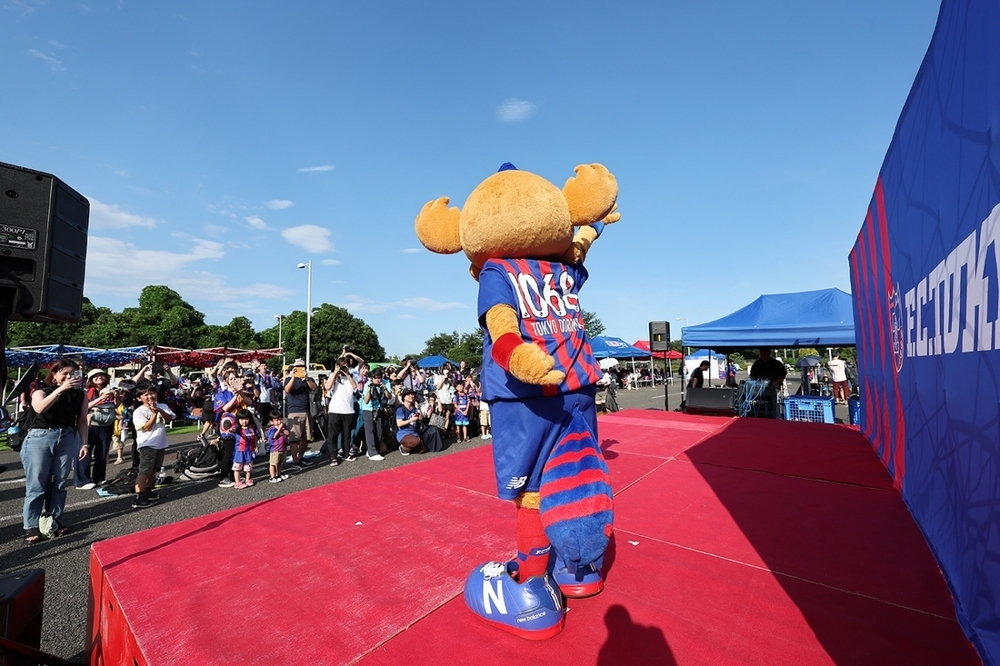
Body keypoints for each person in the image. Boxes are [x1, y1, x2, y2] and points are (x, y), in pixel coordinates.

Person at [21, 360, 89, 542]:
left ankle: (54, 519)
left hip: (66, 436)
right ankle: (31, 526)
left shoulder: (80, 395)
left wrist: (84, 444)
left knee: (59, 483)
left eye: (73, 374)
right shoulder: (41, 391)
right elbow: (39, 408)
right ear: (54, 375)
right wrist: (60, 390)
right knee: (37, 484)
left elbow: (82, 421)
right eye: (65, 374)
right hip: (40, 437)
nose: (69, 377)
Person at [131, 385, 175, 509]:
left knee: (154, 469)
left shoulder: (162, 406)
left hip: (160, 443)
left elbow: (169, 419)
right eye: (146, 394)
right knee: (144, 470)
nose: (150, 396)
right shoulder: (139, 411)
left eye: (152, 393)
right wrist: (154, 415)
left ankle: (148, 490)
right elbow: (145, 427)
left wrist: (159, 411)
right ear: (139, 398)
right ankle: (139, 496)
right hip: (147, 444)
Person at [283, 359, 317, 467]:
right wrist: (293, 376)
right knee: (294, 439)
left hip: (306, 410)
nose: (300, 368)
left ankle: (300, 457)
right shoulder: (289, 378)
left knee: (306, 438)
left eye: (302, 366)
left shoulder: (308, 379)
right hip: (294, 411)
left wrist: (306, 378)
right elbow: (287, 389)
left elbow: (314, 388)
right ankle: (294, 460)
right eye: (297, 366)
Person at [324, 359, 358, 465]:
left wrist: (347, 374)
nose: (344, 368)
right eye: (342, 366)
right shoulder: (333, 376)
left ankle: (346, 453)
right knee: (332, 435)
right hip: (335, 410)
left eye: (346, 366)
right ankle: (333, 456)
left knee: (347, 434)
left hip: (348, 410)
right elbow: (328, 387)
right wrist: (335, 372)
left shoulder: (350, 377)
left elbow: (355, 387)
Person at [360, 368, 389, 461]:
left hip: (379, 409)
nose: (377, 380)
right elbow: (366, 400)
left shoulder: (385, 383)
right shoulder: (368, 384)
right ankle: (372, 453)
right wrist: (369, 389)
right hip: (368, 409)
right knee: (370, 430)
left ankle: (372, 449)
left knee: (379, 430)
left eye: (379, 377)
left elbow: (389, 397)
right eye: (375, 378)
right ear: (372, 378)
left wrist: (385, 389)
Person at [395, 389, 428, 455]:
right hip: (403, 433)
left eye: (412, 394)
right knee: (416, 442)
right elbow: (399, 424)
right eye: (408, 395)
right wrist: (410, 420)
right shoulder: (401, 409)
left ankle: (409, 448)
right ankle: (403, 448)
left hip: (414, 433)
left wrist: (418, 408)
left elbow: (420, 418)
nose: (411, 396)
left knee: (422, 450)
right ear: (404, 397)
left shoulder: (414, 408)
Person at [231, 409, 257, 489]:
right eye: (241, 419)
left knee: (248, 467)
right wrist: (231, 429)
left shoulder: (252, 428)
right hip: (239, 451)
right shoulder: (238, 429)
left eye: (246, 419)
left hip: (249, 450)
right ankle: (237, 482)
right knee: (237, 468)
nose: (244, 421)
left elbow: (255, 438)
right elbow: (233, 430)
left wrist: (256, 446)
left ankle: (248, 479)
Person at [265, 412, 290, 483]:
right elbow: (274, 436)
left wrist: (282, 429)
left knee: (279, 462)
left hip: (282, 448)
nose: (279, 422)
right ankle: (272, 476)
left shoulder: (284, 427)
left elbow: (287, 433)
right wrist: (279, 429)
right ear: (271, 421)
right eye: (277, 420)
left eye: (280, 419)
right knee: (273, 463)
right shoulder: (272, 429)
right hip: (275, 449)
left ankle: (279, 474)